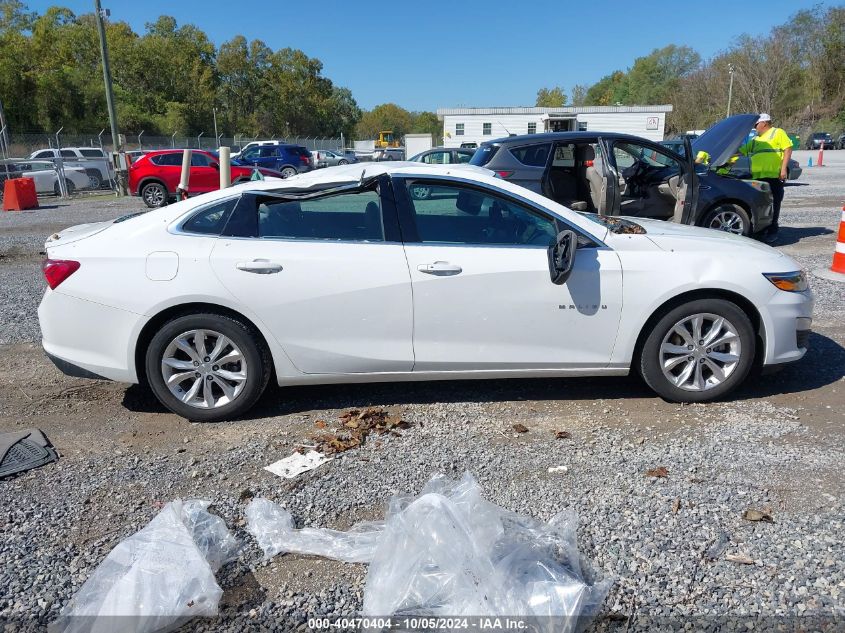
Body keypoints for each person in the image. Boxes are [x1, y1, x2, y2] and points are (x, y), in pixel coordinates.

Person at [738, 113, 793, 243]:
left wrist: (783, 169)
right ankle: (761, 231)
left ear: (764, 123)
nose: (755, 127)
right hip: (758, 178)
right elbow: (741, 151)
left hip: (774, 176)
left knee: (774, 204)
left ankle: (773, 230)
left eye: (756, 124)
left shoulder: (777, 132)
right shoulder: (755, 140)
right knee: (761, 206)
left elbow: (788, 149)